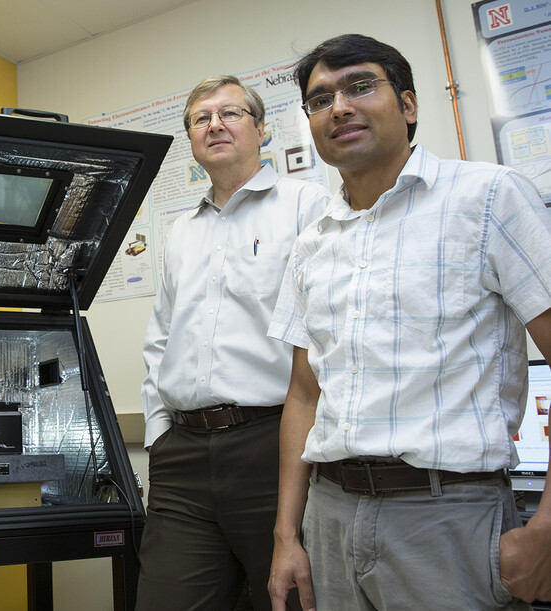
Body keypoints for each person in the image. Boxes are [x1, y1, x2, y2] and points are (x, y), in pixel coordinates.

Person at [267, 34, 551, 611]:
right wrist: (285, 536)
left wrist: (548, 528)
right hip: (330, 514)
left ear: (409, 105)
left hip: (447, 516)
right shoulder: (310, 244)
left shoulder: (489, 197)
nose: (339, 107)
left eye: (360, 86)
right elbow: (303, 394)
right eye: (320, 100)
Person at [135, 75, 329, 610]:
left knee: (290, 598)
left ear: (262, 130)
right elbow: (161, 339)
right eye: (201, 118)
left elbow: (322, 334)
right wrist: (157, 434)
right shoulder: (181, 232)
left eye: (231, 114)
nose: (214, 125)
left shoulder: (305, 205)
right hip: (182, 456)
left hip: (272, 446)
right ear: (192, 140)